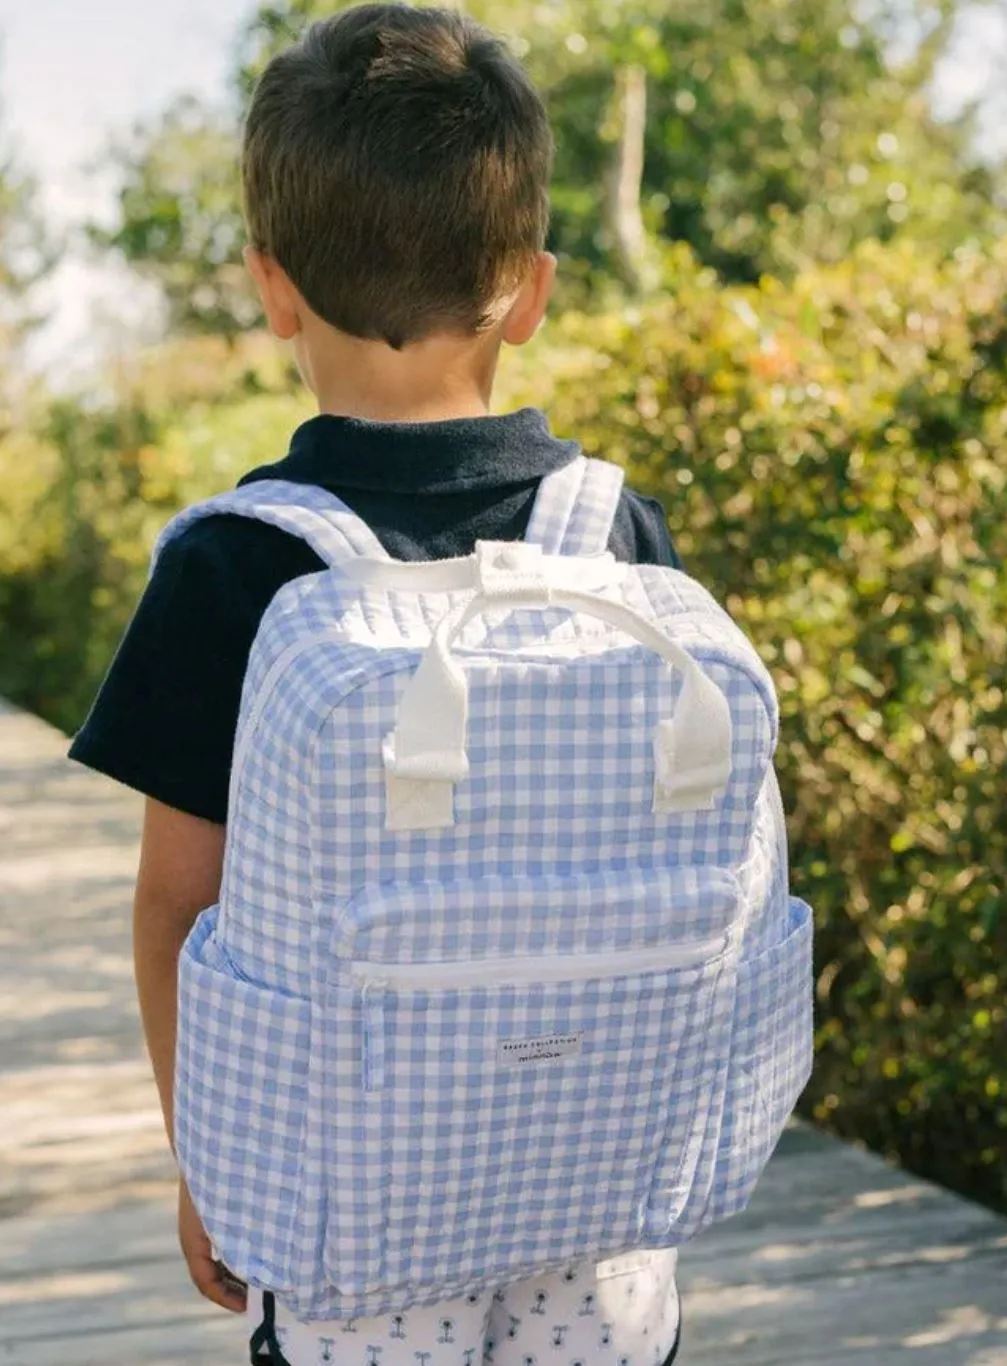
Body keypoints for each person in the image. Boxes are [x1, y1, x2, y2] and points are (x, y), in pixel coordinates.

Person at [69, 6, 683, 1364]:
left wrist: (212, 1164)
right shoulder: (615, 531)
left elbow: (183, 900)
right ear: (532, 287)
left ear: (274, 287)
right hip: (600, 1180)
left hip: (352, 1196)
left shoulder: (235, 564)